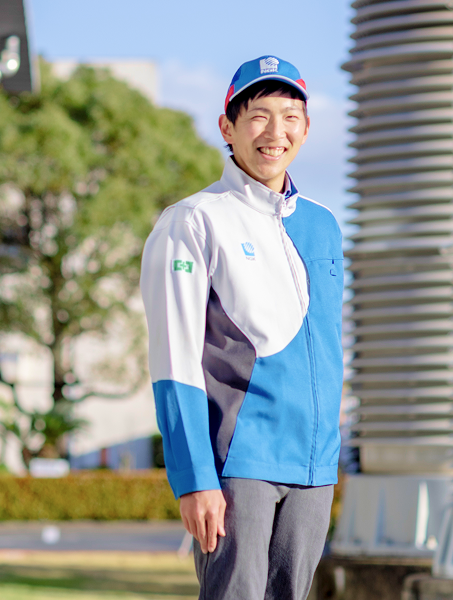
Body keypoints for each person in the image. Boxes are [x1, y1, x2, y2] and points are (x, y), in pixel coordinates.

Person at [140, 55, 344, 600]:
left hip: (314, 468)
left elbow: (328, 352)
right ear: (227, 127)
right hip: (239, 463)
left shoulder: (323, 225)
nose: (276, 132)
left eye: (290, 117)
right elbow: (174, 360)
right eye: (258, 116)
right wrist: (194, 478)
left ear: (306, 128)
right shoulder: (193, 220)